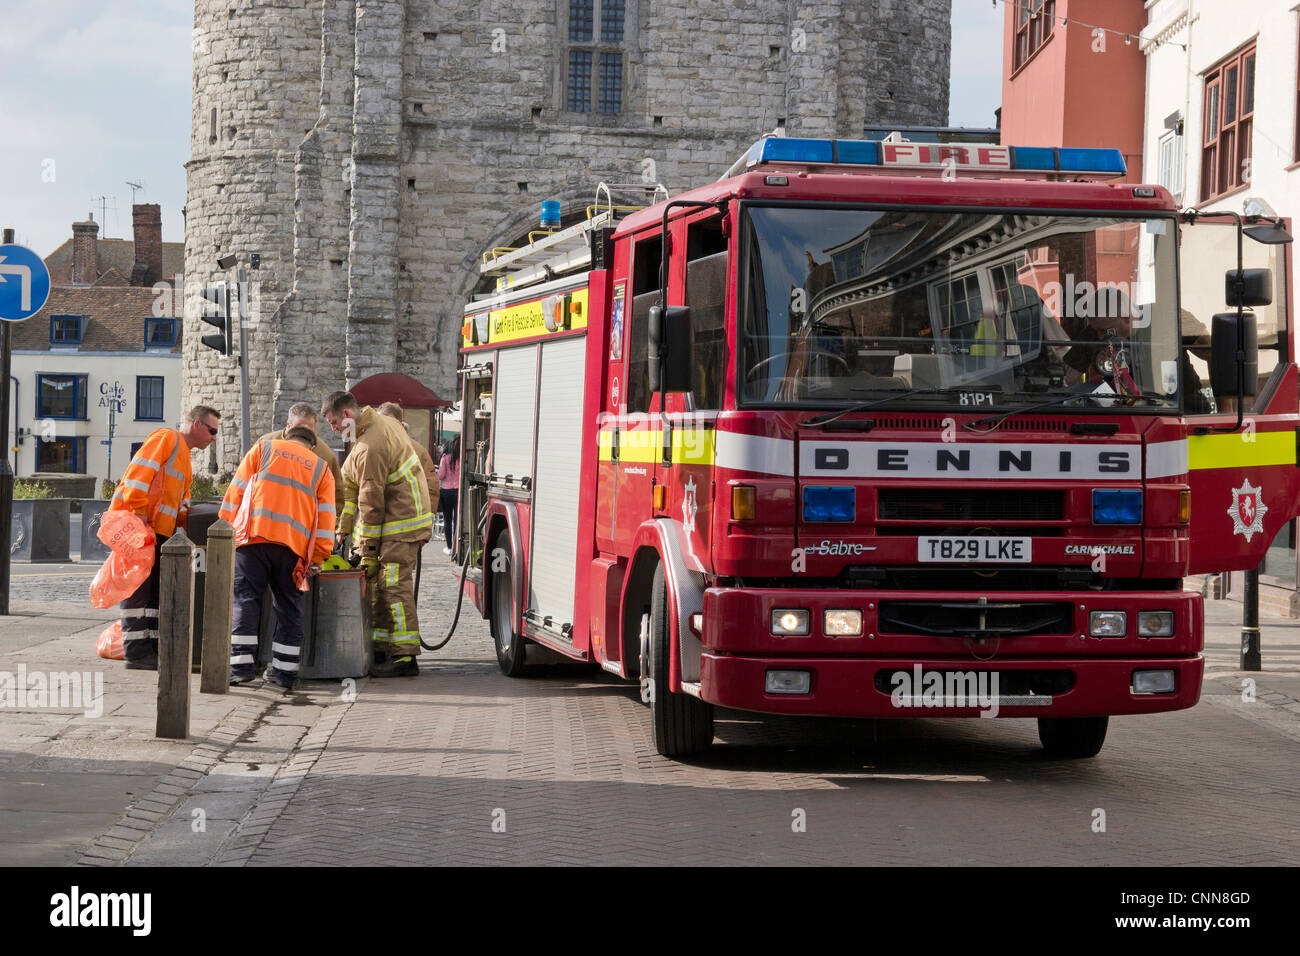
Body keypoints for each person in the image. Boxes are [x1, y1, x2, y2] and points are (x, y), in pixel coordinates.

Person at [322, 390, 433, 677]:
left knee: (394, 588)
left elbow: (370, 504)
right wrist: (343, 529)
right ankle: (383, 649)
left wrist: (368, 552)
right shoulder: (376, 427)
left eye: (334, 423)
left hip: (399, 528)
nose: (334, 430)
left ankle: (405, 657)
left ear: (347, 415)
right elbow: (351, 489)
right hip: (402, 524)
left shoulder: (370, 444)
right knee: (382, 587)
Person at [219, 426, 336, 689]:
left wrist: (223, 530)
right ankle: (284, 674)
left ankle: (241, 668)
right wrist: (318, 556)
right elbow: (327, 517)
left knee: (246, 600)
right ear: (312, 446)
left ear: (285, 438)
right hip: (292, 548)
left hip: (253, 539)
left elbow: (235, 491)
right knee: (288, 607)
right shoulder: (321, 468)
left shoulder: (263, 448)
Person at [108, 405, 221, 669]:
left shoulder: (182, 454)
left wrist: (183, 525)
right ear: (197, 425)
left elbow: (179, 500)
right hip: (141, 527)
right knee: (139, 588)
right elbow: (137, 478)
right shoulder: (166, 439)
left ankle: (152, 648)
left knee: (154, 589)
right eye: (212, 431)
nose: (214, 437)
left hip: (159, 532)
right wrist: (138, 517)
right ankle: (136, 651)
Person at [256, 402, 345, 513]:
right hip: (264, 515)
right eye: (299, 429)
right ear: (288, 425)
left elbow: (336, 498)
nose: (303, 434)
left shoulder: (325, 455)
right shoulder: (265, 444)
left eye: (309, 431)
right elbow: (246, 482)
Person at [376, 402, 439, 499]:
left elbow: (431, 485)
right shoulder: (371, 447)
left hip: (406, 511)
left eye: (389, 422)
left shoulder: (418, 451)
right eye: (380, 422)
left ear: (400, 424)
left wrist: (429, 510)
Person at [437, 435, 460, 556]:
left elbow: (441, 475)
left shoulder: (445, 457)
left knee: (447, 519)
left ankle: (449, 547)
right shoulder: (461, 458)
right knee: (457, 520)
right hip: (458, 491)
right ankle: (457, 546)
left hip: (446, 491)